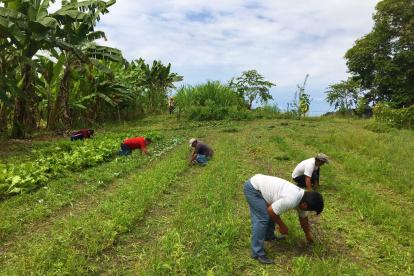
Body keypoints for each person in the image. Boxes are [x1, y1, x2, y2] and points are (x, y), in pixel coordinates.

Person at [244, 174, 324, 264]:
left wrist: (307, 235)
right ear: (305, 205)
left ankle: (269, 236)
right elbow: (271, 211)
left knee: (273, 211)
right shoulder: (292, 199)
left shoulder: (303, 197)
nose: (308, 211)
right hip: (254, 189)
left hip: (260, 185)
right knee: (262, 218)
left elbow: (304, 219)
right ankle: (257, 253)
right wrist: (282, 226)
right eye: (310, 209)